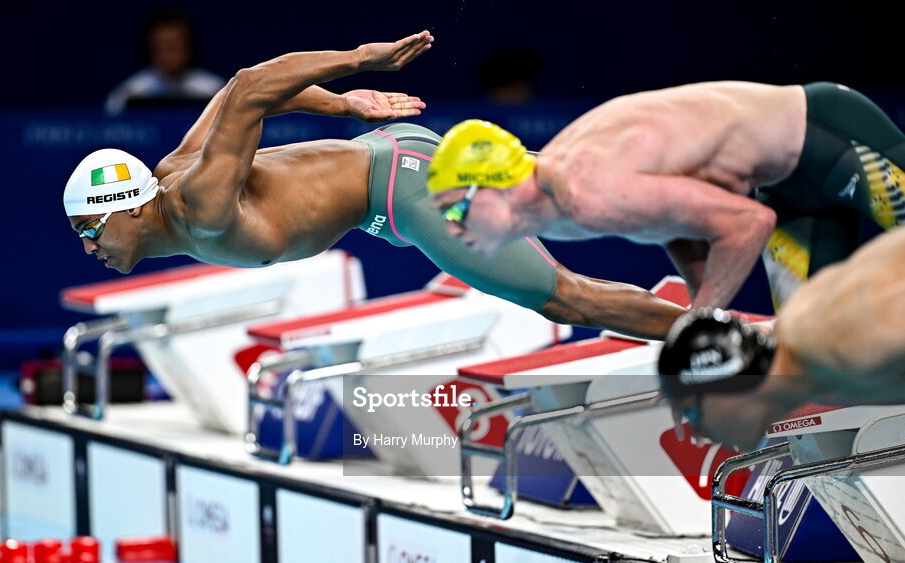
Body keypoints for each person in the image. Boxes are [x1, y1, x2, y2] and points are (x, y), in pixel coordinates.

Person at [63, 32, 684, 341]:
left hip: (407, 189)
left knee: (563, 299)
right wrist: (343, 107)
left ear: (129, 206)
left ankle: (741, 344)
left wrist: (362, 58)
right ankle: (723, 185)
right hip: (390, 162)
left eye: (88, 229)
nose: (89, 246)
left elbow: (253, 84)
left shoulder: (200, 202)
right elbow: (235, 93)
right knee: (577, 188)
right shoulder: (175, 169)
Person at [427, 82, 905, 310]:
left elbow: (747, 225)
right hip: (788, 186)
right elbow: (677, 227)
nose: (450, 227)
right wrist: (707, 325)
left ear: (494, 187)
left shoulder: (586, 190)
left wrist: (698, 326)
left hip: (831, 135)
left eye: (455, 207)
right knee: (810, 343)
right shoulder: (553, 211)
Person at [657, 226, 905, 450]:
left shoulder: (842, 340)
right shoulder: (808, 365)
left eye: (693, 413)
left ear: (725, 380)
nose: (699, 434)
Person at [105, 9, 226, 116]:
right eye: (163, 44)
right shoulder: (128, 94)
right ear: (149, 48)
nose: (170, 51)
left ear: (190, 46)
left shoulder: (215, 90)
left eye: (176, 44)